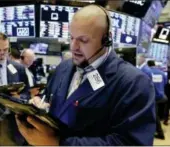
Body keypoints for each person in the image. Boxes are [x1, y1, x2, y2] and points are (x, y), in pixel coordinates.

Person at [15, 5, 156, 146]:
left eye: (83, 40)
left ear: (107, 39)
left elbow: (131, 142)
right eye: (71, 37)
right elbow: (53, 102)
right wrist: (41, 107)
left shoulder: (134, 83)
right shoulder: (63, 68)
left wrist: (58, 144)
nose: (73, 47)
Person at [147, 60, 168, 140]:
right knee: (158, 114)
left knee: (155, 116)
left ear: (148, 65)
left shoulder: (148, 72)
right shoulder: (162, 72)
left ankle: (160, 133)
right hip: (163, 97)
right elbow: (165, 83)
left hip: (154, 97)